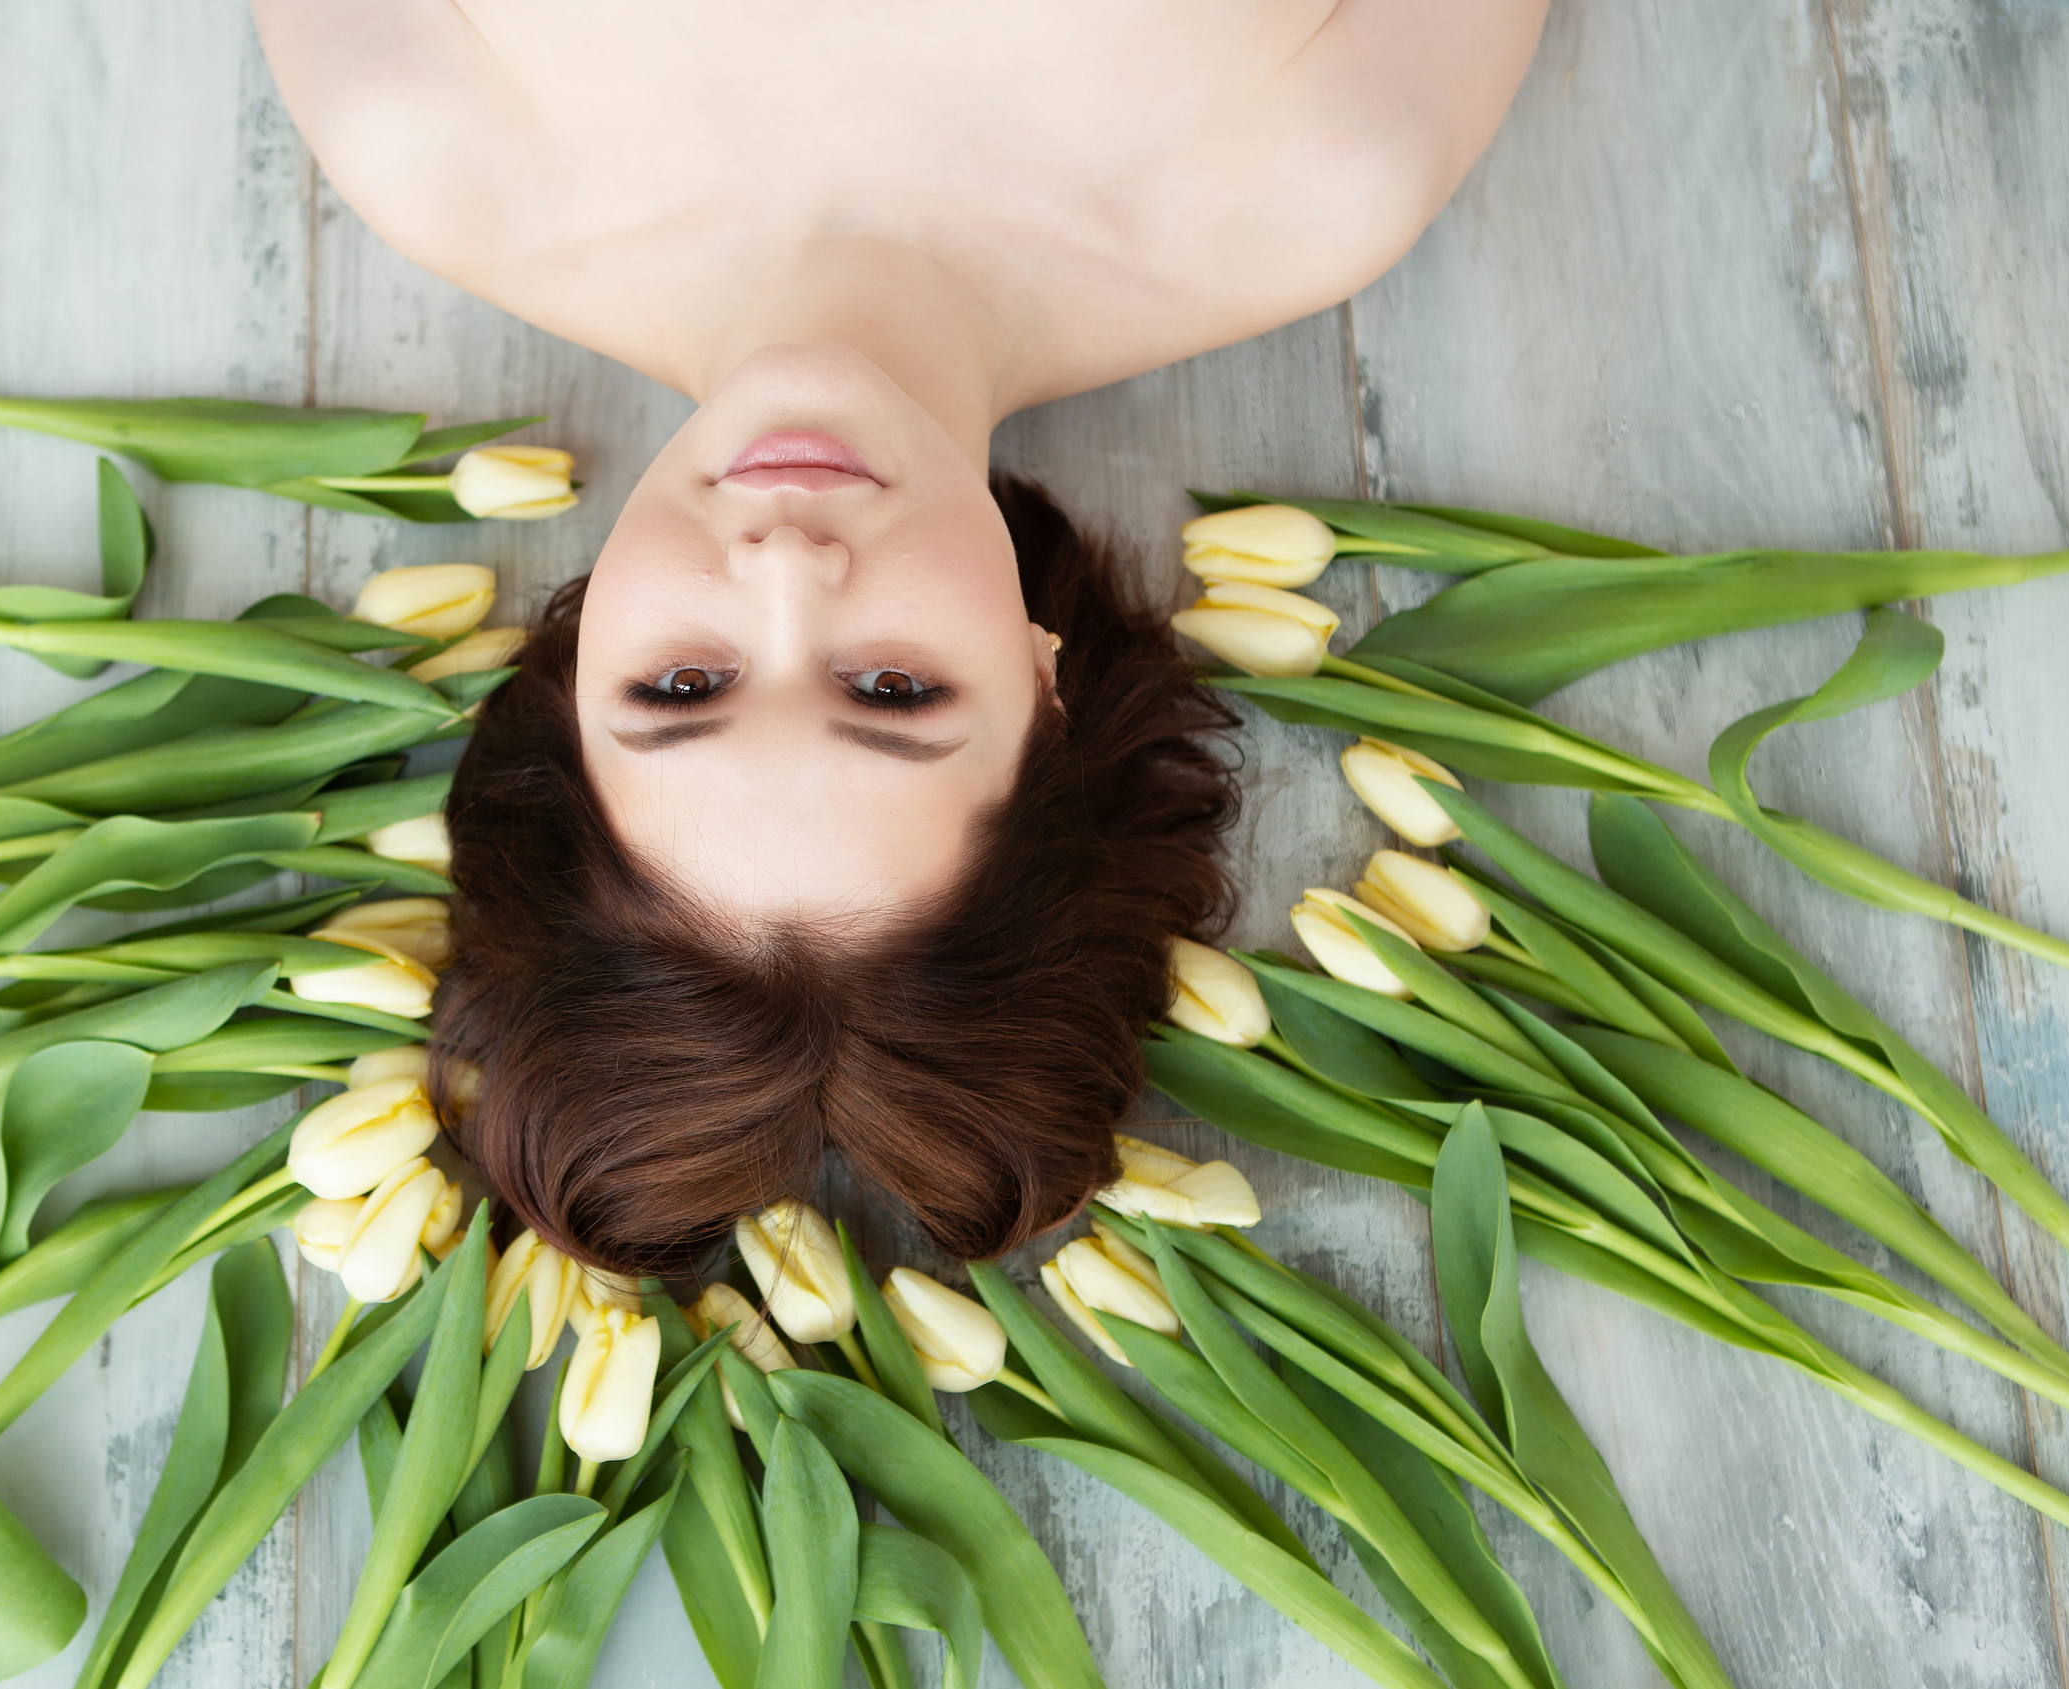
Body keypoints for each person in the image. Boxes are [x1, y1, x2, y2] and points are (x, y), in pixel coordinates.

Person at [251, 0, 1551, 1276]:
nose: (785, 567)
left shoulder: (425, 131)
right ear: (1047, 690)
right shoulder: (1321, 175)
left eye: (686, 683)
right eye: (888, 686)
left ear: (578, 681)